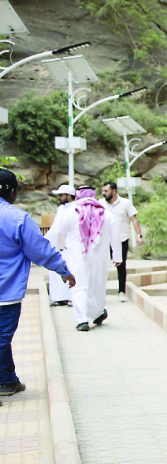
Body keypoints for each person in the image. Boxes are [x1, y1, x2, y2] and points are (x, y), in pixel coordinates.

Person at [0, 169, 75, 396]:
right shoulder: (17, 219)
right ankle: (6, 382)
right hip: (6, 294)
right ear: (12, 192)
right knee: (2, 339)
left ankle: (8, 380)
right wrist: (64, 271)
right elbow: (40, 251)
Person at [46, 186, 121, 332]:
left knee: (79, 286)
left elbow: (60, 232)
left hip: (77, 256)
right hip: (101, 257)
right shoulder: (106, 213)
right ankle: (98, 313)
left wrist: (62, 248)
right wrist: (117, 257)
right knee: (97, 286)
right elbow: (115, 236)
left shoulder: (72, 212)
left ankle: (82, 320)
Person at [100, 181, 143, 302]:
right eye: (102, 191)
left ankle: (121, 291)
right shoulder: (100, 204)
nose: (104, 193)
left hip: (121, 239)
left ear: (114, 191)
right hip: (105, 240)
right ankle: (100, 292)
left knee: (121, 265)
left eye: (106, 191)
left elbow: (134, 220)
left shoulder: (125, 203)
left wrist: (139, 235)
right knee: (102, 265)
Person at [48, 185, 76, 306]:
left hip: (72, 246)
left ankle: (71, 298)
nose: (59, 198)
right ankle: (59, 298)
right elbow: (56, 228)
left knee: (72, 270)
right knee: (57, 271)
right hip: (58, 246)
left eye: (61, 195)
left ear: (69, 196)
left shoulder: (76, 208)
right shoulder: (61, 209)